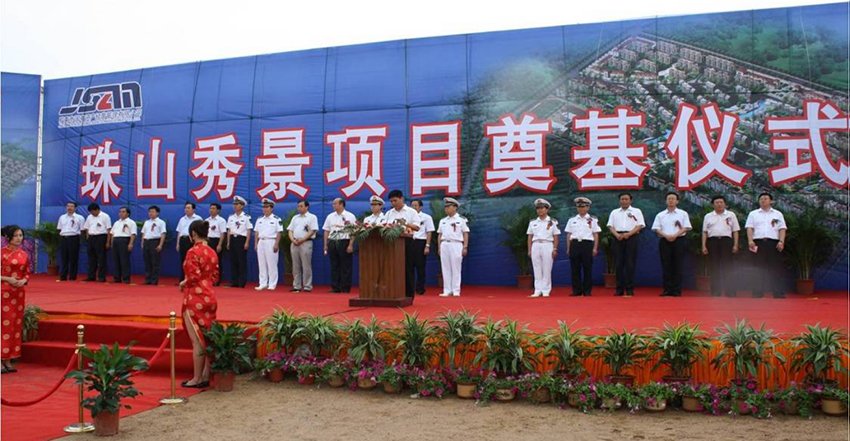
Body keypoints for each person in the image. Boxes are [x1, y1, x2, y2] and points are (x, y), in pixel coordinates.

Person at [178, 220, 219, 388]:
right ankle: (205, 375)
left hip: (195, 297)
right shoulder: (212, 252)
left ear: (193, 234)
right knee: (207, 338)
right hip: (210, 296)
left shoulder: (192, 251)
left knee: (197, 340)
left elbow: (193, 277)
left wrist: (183, 283)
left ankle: (196, 378)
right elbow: (215, 276)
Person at [745, 192, 787, 298]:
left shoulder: (777, 214)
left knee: (775, 268)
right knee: (757, 268)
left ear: (771, 201)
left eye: (765, 198)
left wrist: (781, 241)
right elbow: (749, 228)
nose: (763, 200)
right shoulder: (753, 214)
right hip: (758, 243)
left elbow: (782, 229)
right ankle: (757, 292)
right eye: (761, 199)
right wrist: (750, 241)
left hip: (773, 243)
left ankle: (778, 293)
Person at [651, 192, 692, 297]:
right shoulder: (660, 215)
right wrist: (666, 236)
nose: (671, 200)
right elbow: (656, 228)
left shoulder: (683, 213)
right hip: (664, 241)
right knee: (666, 265)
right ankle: (667, 290)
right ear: (666, 201)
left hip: (679, 240)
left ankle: (677, 290)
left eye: (673, 199)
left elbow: (686, 227)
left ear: (677, 201)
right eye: (669, 199)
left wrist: (675, 235)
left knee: (678, 265)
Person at [1, 225, 30, 373]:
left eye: (21, 235)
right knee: (3, 325)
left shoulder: (23, 254)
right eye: (16, 235)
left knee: (14, 325)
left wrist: (23, 280)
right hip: (3, 292)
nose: (19, 238)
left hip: (18, 293)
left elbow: (27, 273)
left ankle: (8, 359)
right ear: (8, 237)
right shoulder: (1, 253)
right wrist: (7, 279)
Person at [384, 190, 421, 298]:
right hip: (392, 243)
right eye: (391, 201)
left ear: (401, 199)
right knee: (392, 268)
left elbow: (417, 227)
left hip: (407, 242)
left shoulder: (411, 212)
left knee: (407, 268)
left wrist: (405, 224)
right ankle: (394, 293)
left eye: (395, 200)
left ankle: (409, 295)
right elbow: (384, 226)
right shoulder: (389, 213)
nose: (393, 203)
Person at [606, 193, 644, 296]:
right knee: (618, 264)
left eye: (626, 199)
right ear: (619, 201)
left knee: (630, 264)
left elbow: (640, 225)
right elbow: (610, 226)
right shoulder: (614, 212)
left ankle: (629, 289)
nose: (624, 201)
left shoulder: (636, 211)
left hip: (631, 237)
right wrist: (617, 235)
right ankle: (619, 289)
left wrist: (629, 234)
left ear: (630, 201)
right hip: (617, 237)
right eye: (622, 199)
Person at [702, 196, 740, 297]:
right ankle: (715, 291)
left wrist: (735, 244)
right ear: (713, 204)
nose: (719, 204)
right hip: (712, 241)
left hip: (726, 241)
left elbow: (735, 231)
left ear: (725, 204)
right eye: (717, 202)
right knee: (714, 266)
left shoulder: (731, 215)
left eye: (721, 202)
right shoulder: (708, 216)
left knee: (728, 266)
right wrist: (704, 246)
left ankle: (730, 291)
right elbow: (705, 232)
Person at [565, 197, 600, 297]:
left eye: (583, 206)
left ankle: (587, 291)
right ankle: (576, 290)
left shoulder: (593, 220)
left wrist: (595, 248)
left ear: (588, 207)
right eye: (579, 207)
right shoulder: (572, 220)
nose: (581, 209)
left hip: (587, 244)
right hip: (575, 244)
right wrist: (568, 248)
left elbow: (595, 234)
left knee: (587, 268)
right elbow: (568, 235)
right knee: (575, 269)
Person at [322, 198, 357, 293]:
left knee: (346, 266)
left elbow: (353, 232)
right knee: (334, 265)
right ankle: (335, 287)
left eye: (335, 203)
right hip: (333, 241)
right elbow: (326, 231)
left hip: (344, 241)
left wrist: (350, 245)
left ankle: (345, 287)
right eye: (333, 203)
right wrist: (325, 244)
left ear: (341, 204)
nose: (333, 205)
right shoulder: (330, 216)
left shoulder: (350, 216)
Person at [527, 198, 560, 298]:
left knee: (547, 268)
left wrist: (555, 248)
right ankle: (537, 290)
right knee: (536, 268)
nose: (540, 210)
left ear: (547, 209)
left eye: (542, 208)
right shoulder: (533, 222)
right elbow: (530, 236)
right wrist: (529, 249)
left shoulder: (552, 222)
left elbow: (556, 236)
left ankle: (546, 290)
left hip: (547, 244)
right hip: (536, 244)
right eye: (538, 208)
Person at [437, 197, 468, 297]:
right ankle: (447, 290)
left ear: (455, 207)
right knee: (445, 268)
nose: (446, 209)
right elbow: (439, 234)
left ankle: (456, 290)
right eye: (445, 207)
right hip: (444, 244)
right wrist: (439, 247)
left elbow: (465, 233)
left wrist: (465, 247)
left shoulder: (461, 220)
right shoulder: (443, 220)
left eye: (449, 207)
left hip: (456, 244)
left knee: (456, 267)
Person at [287, 199, 318, 292]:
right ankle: (296, 286)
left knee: (306, 265)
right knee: (295, 265)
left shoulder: (312, 217)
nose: (299, 208)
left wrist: (303, 239)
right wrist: (293, 240)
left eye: (301, 206)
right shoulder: (295, 218)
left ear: (307, 207)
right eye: (298, 206)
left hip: (306, 242)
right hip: (295, 243)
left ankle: (307, 286)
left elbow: (312, 230)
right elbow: (290, 230)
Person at [254, 198, 283, 291]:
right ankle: (263, 283)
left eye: (267, 207)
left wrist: (276, 244)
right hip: (261, 241)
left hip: (271, 241)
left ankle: (272, 284)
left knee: (272, 263)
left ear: (272, 208)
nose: (265, 209)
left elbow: (279, 232)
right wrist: (256, 243)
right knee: (261, 264)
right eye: (264, 207)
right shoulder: (259, 219)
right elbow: (256, 232)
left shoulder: (276, 219)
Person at [226, 196, 252, 288]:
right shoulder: (231, 217)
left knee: (241, 261)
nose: (235, 206)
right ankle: (234, 281)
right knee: (233, 261)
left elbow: (249, 230)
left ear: (242, 206)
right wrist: (228, 242)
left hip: (241, 239)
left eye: (237, 204)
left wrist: (247, 242)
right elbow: (229, 230)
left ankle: (242, 282)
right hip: (232, 239)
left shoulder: (246, 217)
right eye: (234, 204)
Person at [410, 199, 435, 295]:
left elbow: (429, 232)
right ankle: (410, 288)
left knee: (420, 267)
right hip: (410, 241)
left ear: (420, 207)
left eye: (415, 205)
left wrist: (427, 246)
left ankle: (420, 288)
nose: (413, 207)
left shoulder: (426, 217)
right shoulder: (408, 217)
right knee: (409, 266)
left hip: (420, 242)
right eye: (412, 205)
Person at [82, 203, 111, 282]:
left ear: (97, 210)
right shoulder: (89, 217)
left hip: (101, 237)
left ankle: (101, 277)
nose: (92, 213)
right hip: (91, 238)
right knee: (91, 258)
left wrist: (108, 242)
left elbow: (108, 230)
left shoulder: (105, 216)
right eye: (90, 212)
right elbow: (86, 228)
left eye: (93, 211)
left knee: (101, 258)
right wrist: (88, 237)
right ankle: (91, 276)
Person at [108, 206, 137, 284]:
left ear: (128, 213)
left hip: (124, 240)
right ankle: (117, 278)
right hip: (116, 241)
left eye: (123, 212)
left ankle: (126, 278)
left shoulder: (131, 222)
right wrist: (112, 243)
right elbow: (112, 234)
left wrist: (130, 243)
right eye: (120, 212)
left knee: (124, 260)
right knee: (116, 260)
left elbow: (133, 234)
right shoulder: (116, 222)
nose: (121, 213)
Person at [57, 201, 84, 281]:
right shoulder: (62, 217)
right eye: (68, 206)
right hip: (63, 238)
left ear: (75, 208)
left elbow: (82, 230)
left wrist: (79, 240)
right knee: (64, 258)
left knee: (73, 258)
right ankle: (63, 276)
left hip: (74, 238)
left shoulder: (80, 218)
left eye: (71, 206)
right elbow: (59, 229)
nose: (69, 208)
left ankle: (72, 276)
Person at [175, 202, 203, 281]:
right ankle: (183, 278)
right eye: (185, 208)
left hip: (192, 241)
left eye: (188, 208)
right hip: (183, 240)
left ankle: (192, 278)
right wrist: (178, 243)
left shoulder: (198, 219)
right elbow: (179, 232)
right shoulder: (182, 219)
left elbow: (201, 232)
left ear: (193, 209)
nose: (186, 209)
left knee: (193, 260)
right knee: (183, 259)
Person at [141, 205, 167, 285]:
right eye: (149, 212)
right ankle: (148, 279)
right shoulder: (146, 222)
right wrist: (142, 242)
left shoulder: (161, 222)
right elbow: (143, 233)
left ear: (157, 213)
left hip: (155, 241)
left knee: (155, 261)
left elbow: (163, 234)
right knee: (147, 261)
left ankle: (154, 280)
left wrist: (160, 245)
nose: (150, 213)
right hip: (146, 241)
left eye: (152, 211)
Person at [205, 203, 227, 286]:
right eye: (210, 208)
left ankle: (217, 280)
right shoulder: (207, 220)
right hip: (208, 241)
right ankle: (208, 278)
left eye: (213, 208)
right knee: (207, 261)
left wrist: (220, 244)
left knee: (217, 261)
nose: (211, 210)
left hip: (216, 241)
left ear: (218, 210)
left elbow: (222, 233)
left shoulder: (221, 220)